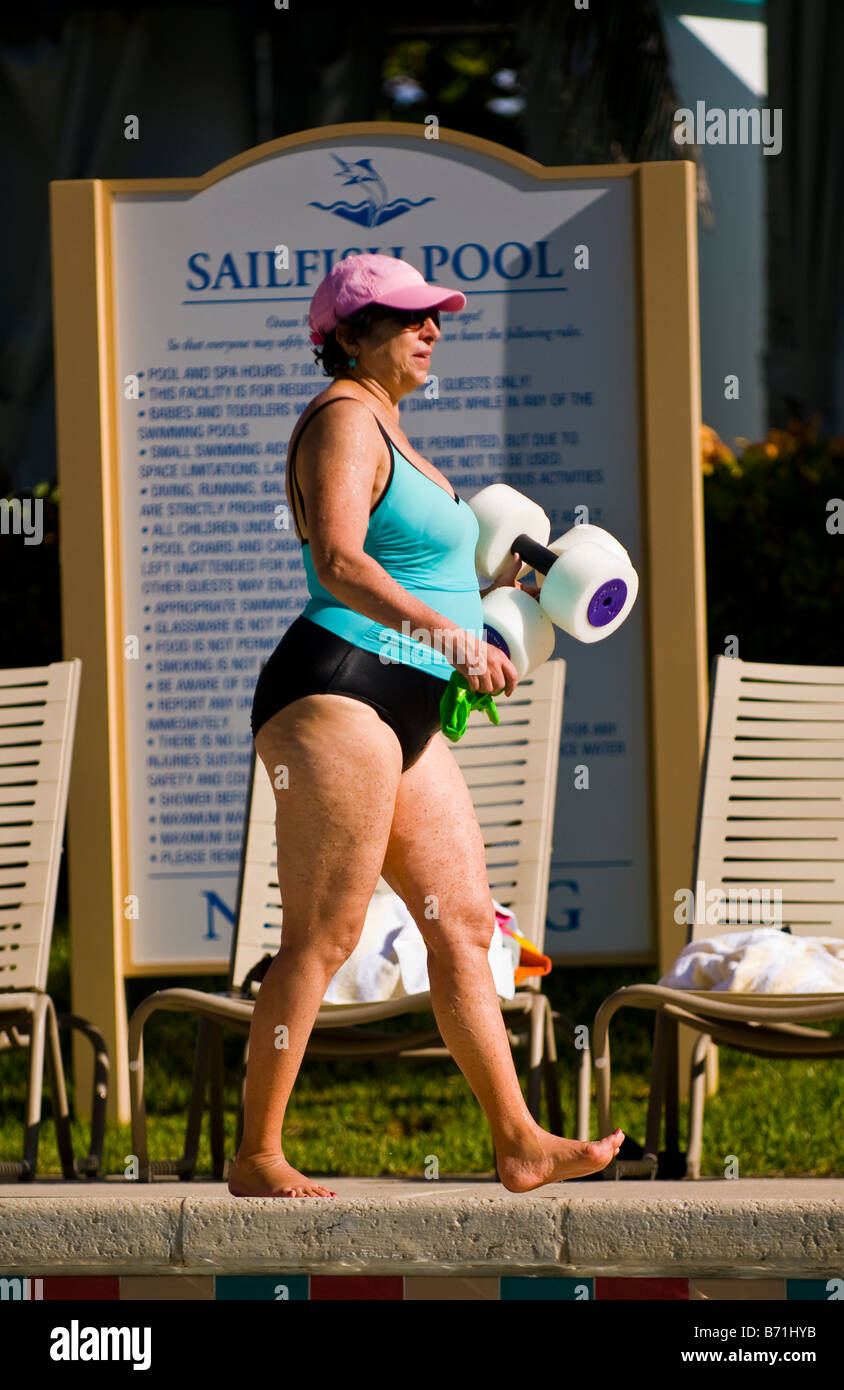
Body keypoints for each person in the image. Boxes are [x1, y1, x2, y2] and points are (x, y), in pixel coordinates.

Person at [227, 253, 623, 1198]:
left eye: (435, 314)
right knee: (324, 934)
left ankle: (520, 1141)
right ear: (350, 337)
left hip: (406, 701)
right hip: (338, 687)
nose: (432, 328)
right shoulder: (343, 420)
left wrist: (505, 603)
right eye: (407, 317)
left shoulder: (394, 430)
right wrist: (453, 637)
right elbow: (338, 559)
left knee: (462, 924)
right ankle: (257, 1155)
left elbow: (426, 568)